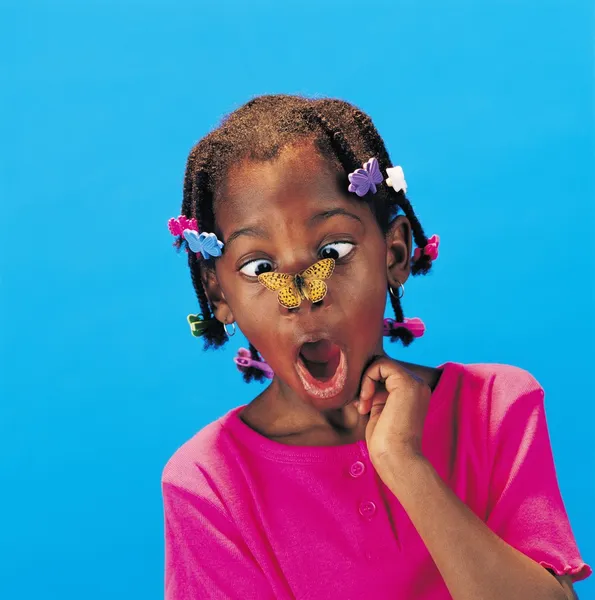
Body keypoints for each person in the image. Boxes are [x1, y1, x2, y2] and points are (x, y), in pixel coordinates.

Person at [161, 94, 591, 599]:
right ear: (219, 294)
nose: (305, 295)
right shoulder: (208, 483)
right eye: (259, 268)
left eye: (332, 251)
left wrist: (406, 466)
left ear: (395, 253)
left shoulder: (495, 406)